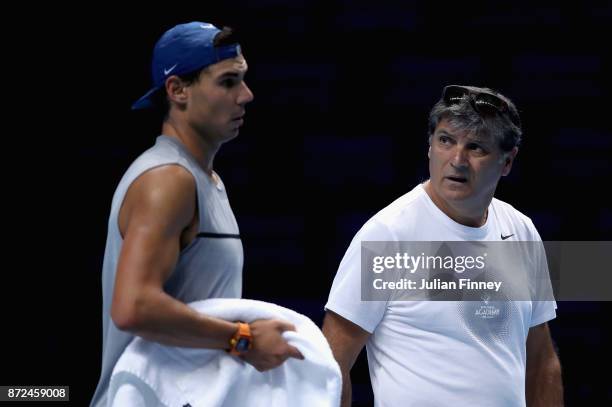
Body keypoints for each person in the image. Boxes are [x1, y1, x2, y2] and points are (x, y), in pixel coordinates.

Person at [91, 21, 302, 407]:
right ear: (178, 90)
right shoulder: (168, 181)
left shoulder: (203, 179)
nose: (246, 95)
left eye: (244, 79)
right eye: (228, 82)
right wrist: (244, 339)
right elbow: (133, 307)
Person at [322, 85, 563, 406]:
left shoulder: (521, 230)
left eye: (476, 147)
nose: (457, 160)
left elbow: (541, 359)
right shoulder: (386, 236)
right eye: (446, 140)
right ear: (430, 146)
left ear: (507, 161)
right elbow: (332, 363)